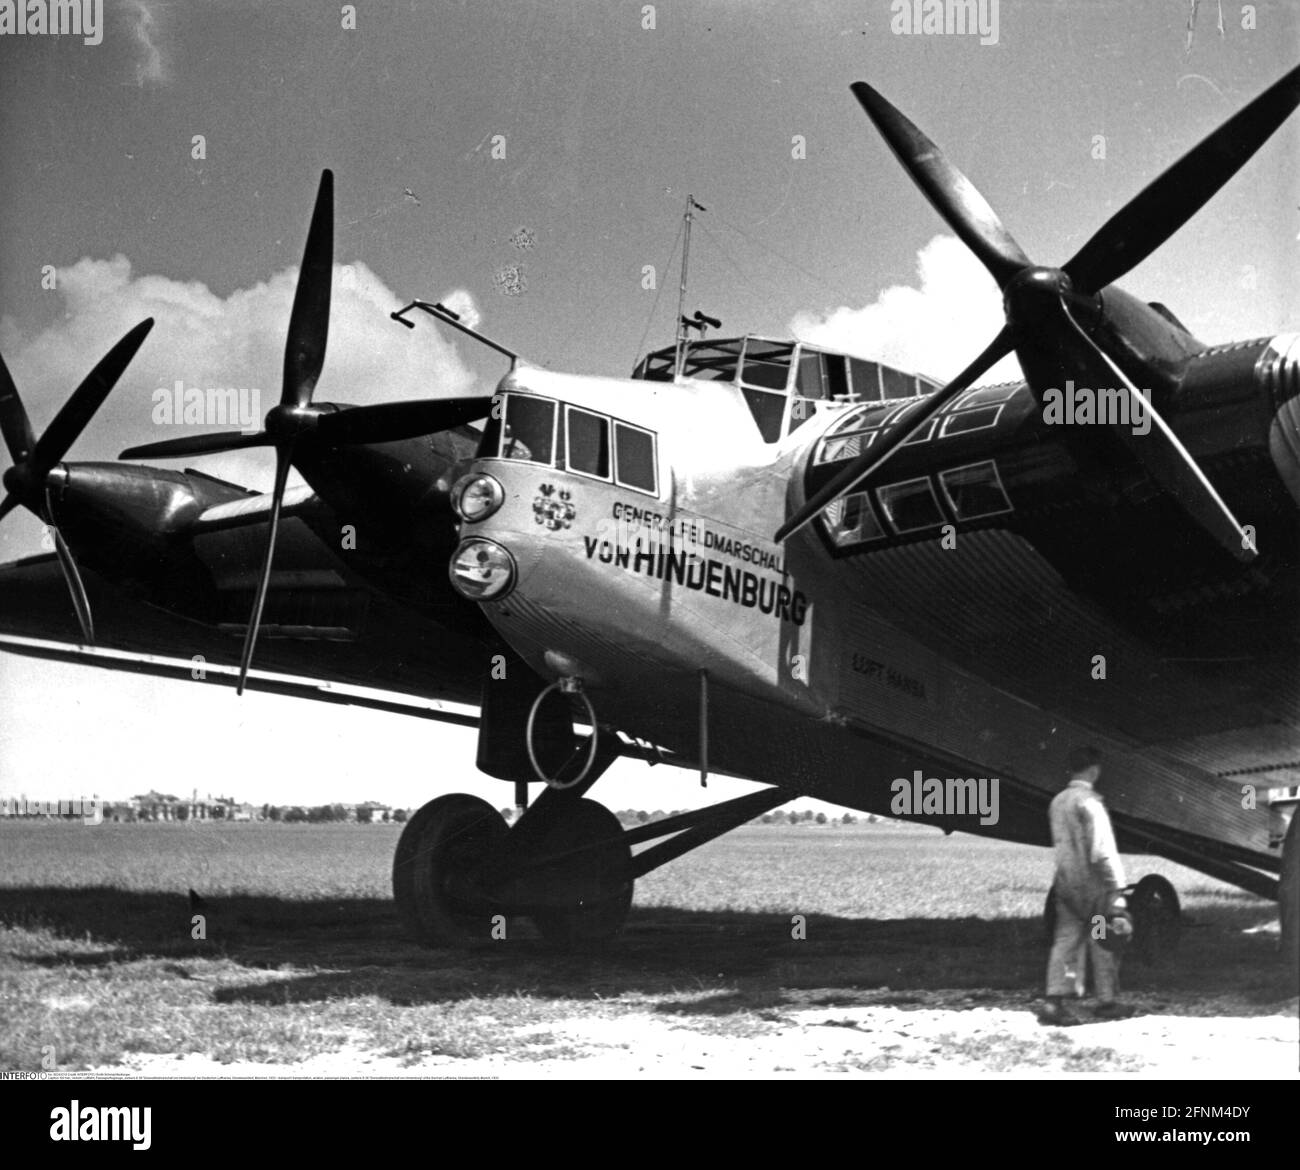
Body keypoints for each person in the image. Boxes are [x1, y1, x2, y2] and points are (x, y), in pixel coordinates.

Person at [1041, 746, 1133, 1025]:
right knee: (1102, 941)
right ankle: (1106, 1001)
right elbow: (1101, 851)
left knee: (1066, 940)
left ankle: (1054, 1002)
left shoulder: (1057, 801)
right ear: (1094, 769)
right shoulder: (1090, 802)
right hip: (1094, 887)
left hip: (1067, 883)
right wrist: (1117, 889)